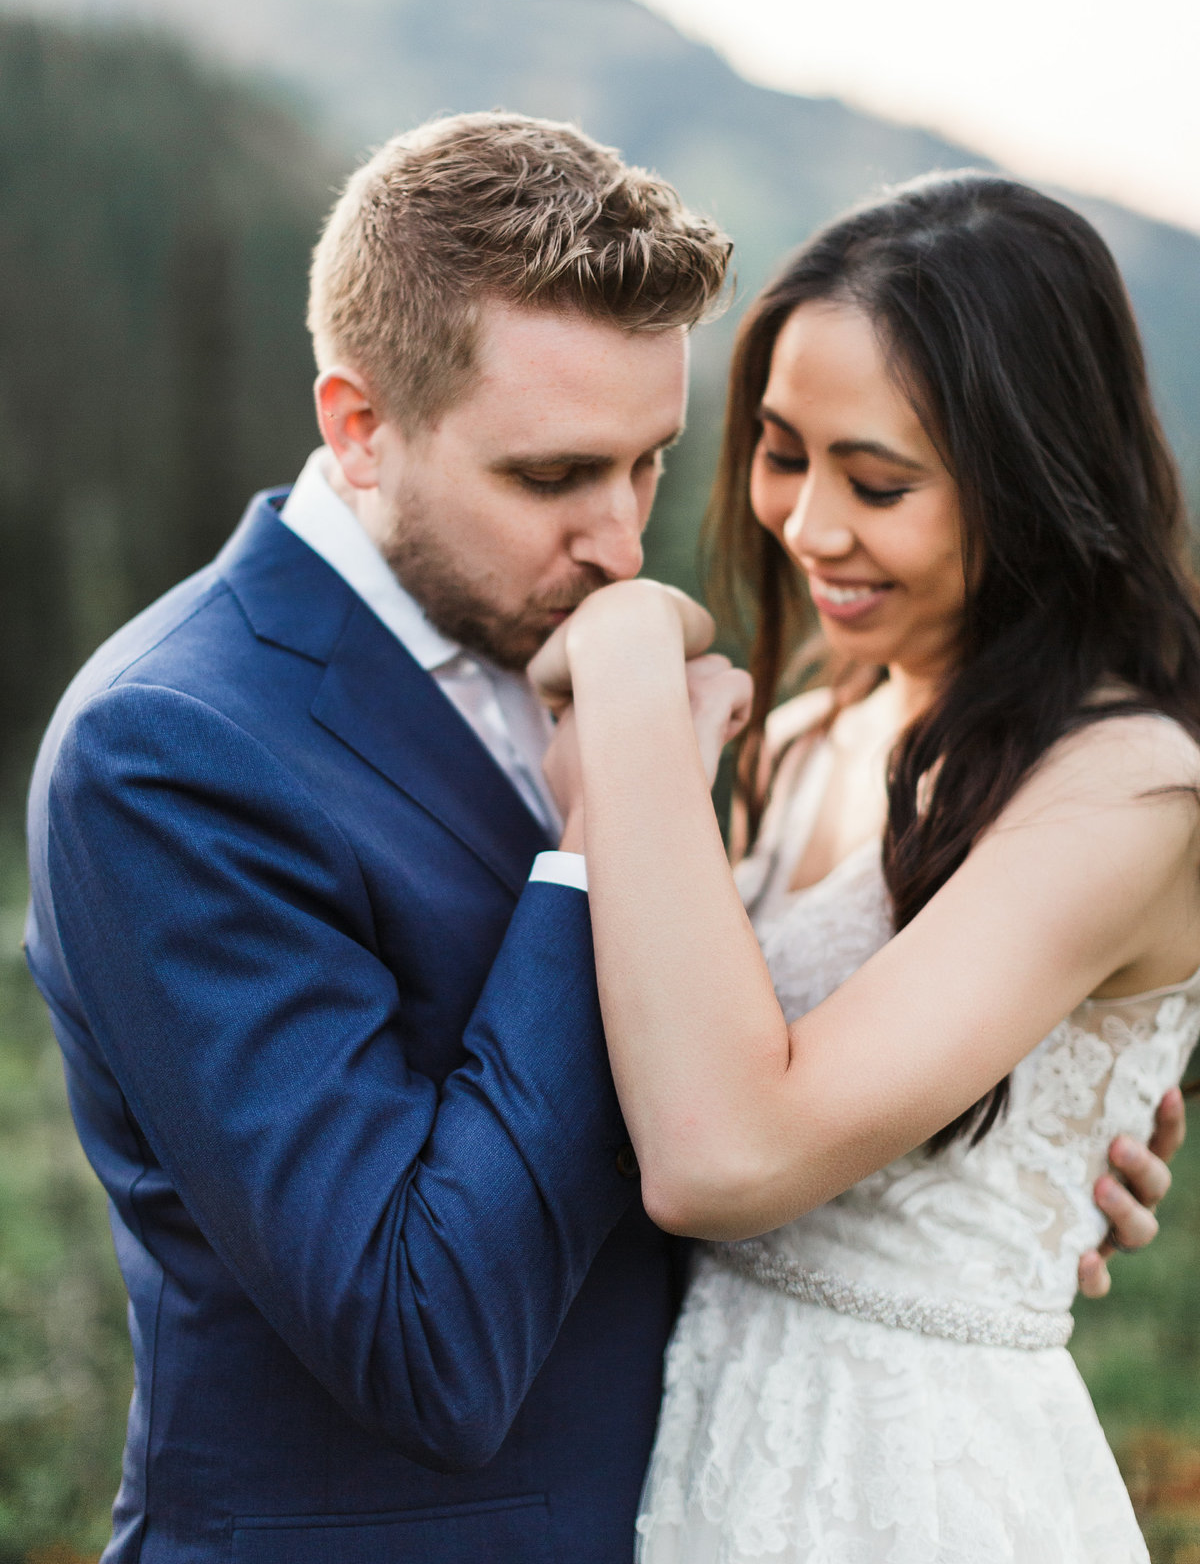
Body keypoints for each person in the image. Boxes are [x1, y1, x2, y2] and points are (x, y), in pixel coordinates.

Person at [24, 127, 1170, 1564]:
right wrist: (593, 854)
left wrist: (980, 1170)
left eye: (652, 465)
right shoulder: (176, 750)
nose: (623, 544)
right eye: (556, 475)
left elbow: (728, 1065)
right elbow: (421, 1339)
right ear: (359, 424)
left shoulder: (572, 630)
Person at [534, 172, 1198, 1562]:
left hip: (918, 1485)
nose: (811, 527)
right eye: (782, 452)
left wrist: (625, 671)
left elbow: (725, 1152)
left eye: (879, 482)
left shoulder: (1130, 793)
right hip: (704, 1437)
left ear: (1032, 479)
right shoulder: (798, 735)